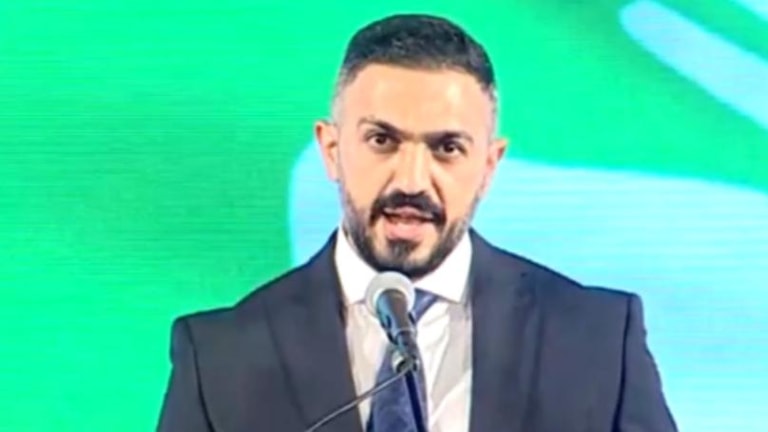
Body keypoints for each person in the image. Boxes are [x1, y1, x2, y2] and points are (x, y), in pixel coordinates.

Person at [157, 13, 677, 432]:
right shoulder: (220, 358)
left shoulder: (598, 341)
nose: (411, 180)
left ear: (489, 166)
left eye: (447, 148)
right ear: (331, 149)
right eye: (382, 140)